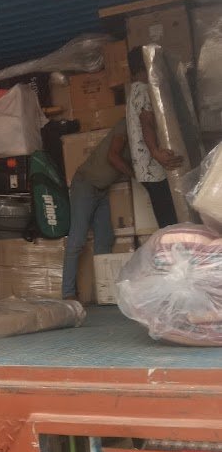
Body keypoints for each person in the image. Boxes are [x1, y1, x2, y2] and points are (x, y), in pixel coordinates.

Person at [62, 118, 132, 300]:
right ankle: (68, 293)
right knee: (77, 240)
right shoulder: (125, 124)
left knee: (105, 239)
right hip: (85, 184)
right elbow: (113, 157)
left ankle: (102, 293)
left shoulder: (140, 136)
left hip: (102, 189)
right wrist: (136, 175)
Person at [126, 46, 182, 227]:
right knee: (170, 219)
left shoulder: (133, 91)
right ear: (144, 66)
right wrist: (156, 152)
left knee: (165, 217)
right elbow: (147, 122)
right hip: (153, 168)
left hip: (144, 168)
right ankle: (173, 243)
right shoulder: (143, 90)